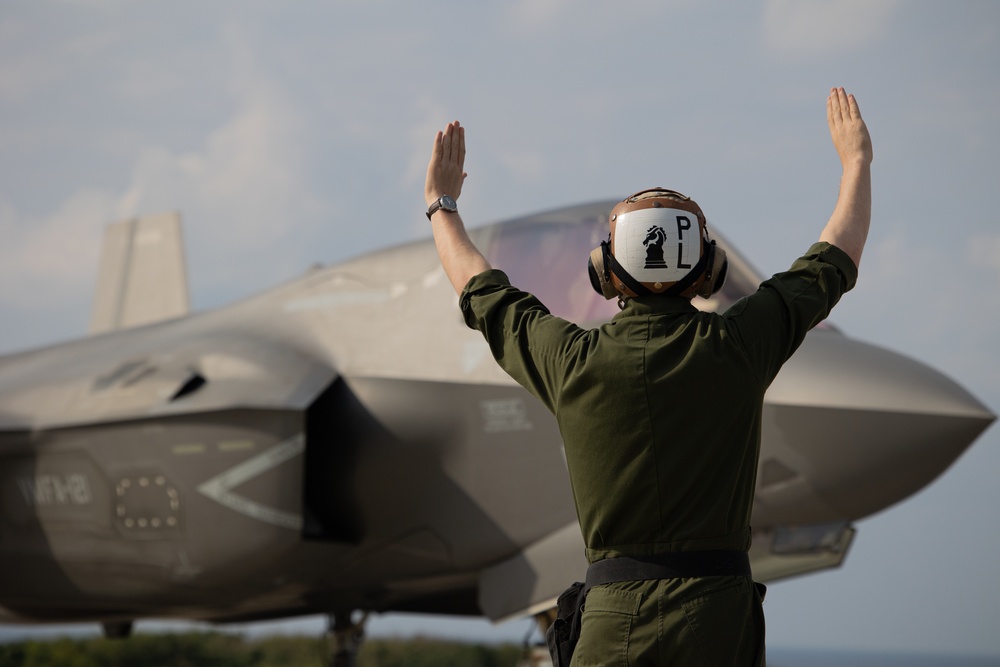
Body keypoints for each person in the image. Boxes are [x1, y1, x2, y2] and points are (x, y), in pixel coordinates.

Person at [423, 88, 872, 666]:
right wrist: (855, 162)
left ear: (606, 271)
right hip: (721, 621)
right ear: (707, 270)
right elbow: (834, 258)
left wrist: (442, 204)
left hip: (613, 622)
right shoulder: (740, 346)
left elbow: (482, 291)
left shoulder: (570, 361)